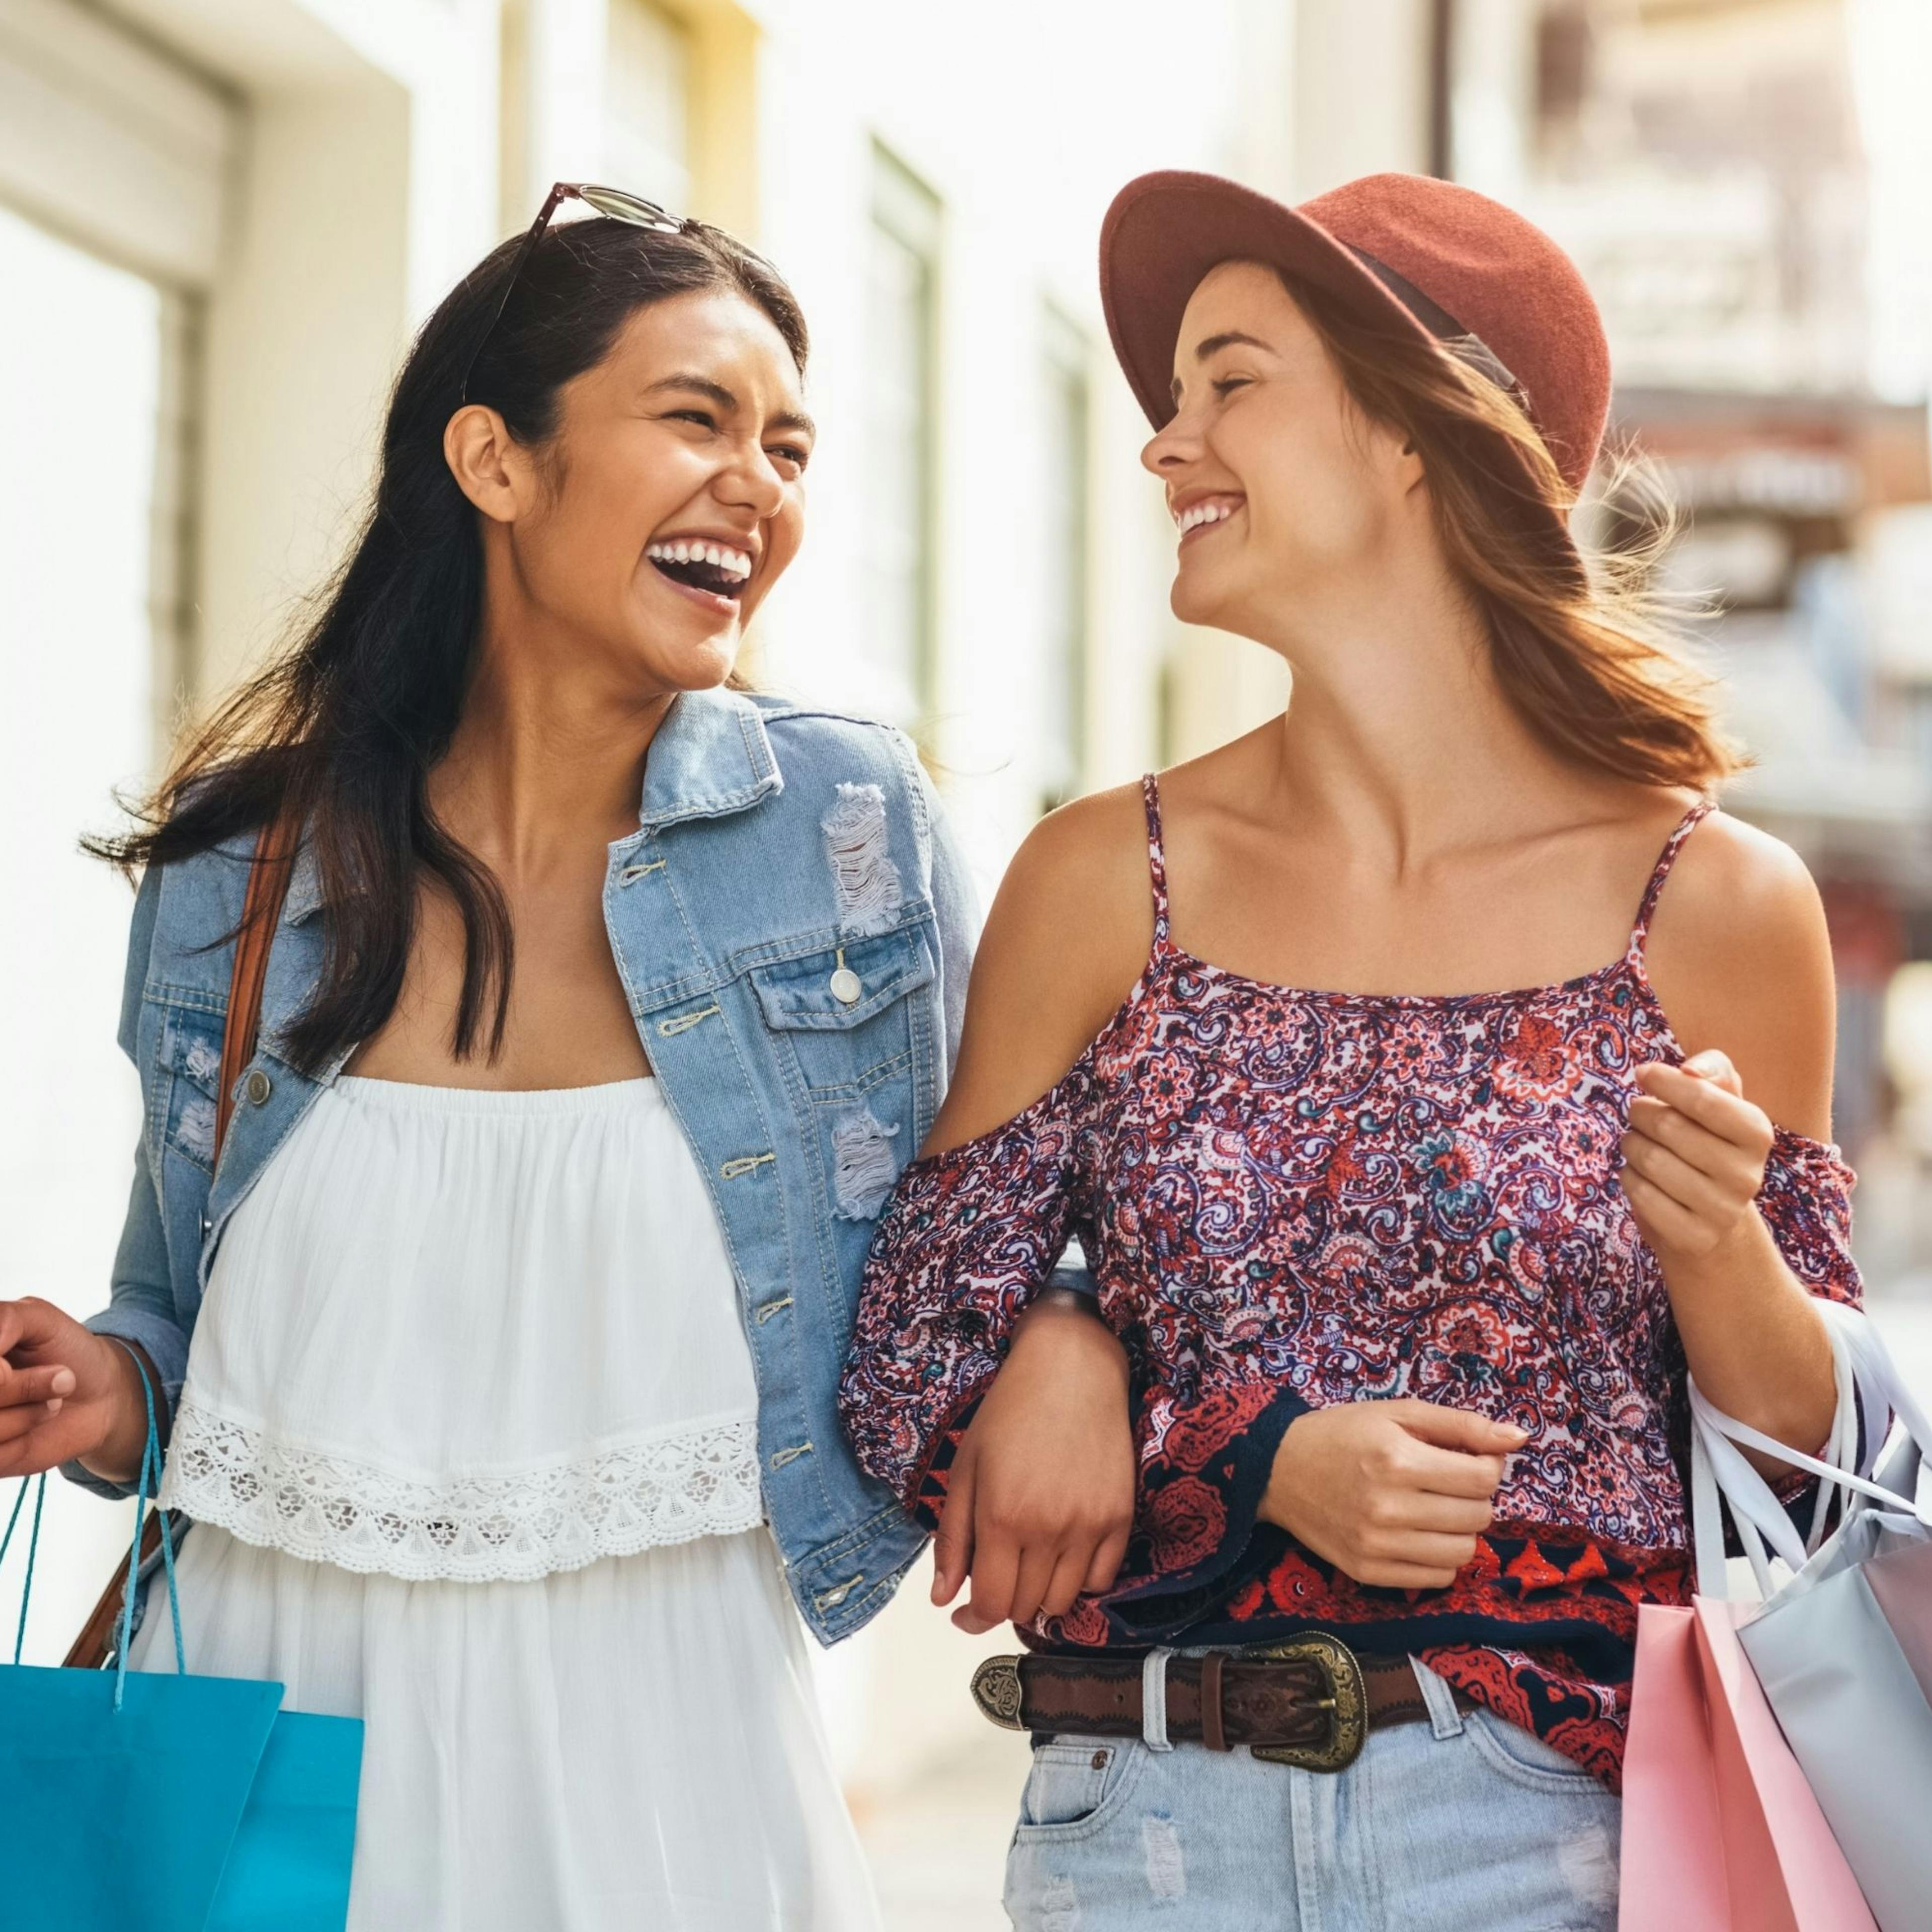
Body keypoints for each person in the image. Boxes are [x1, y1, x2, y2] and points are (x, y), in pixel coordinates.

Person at [841, 170, 1862, 1931]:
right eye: (1175, 398)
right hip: (1133, 1829)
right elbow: (899, 1382)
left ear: (1421, 433)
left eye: (1229, 381)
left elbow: (1806, 1486)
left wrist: (1725, 1255)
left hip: (1568, 1846)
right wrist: (1189, 1419)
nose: (1168, 446)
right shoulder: (1105, 879)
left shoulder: (1716, 906)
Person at [0, 186, 992, 1930]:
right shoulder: (250, 865)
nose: (760, 485)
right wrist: (101, 1384)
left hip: (664, 1753)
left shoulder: (845, 831)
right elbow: (173, 1306)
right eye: (696, 417)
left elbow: (995, 1220)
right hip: (261, 1713)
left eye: (789, 444)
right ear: (495, 460)